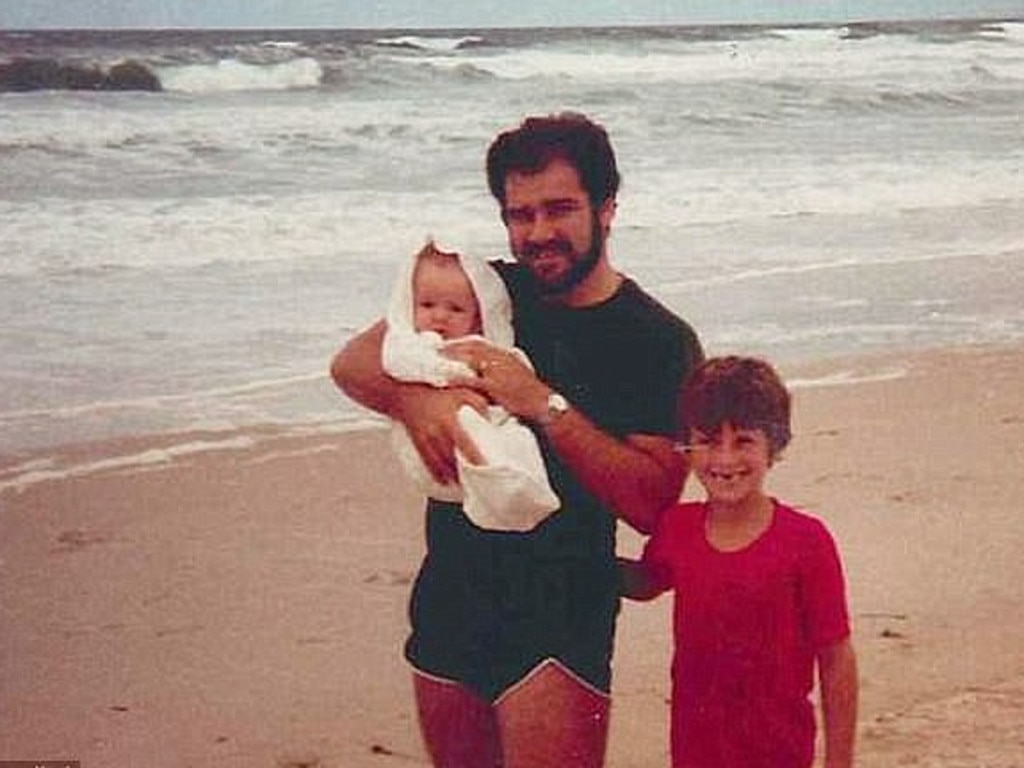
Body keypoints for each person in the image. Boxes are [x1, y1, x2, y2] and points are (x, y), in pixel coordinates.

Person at [330, 112, 703, 768]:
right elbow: (355, 362)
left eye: (559, 209)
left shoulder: (658, 340)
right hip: (450, 592)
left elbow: (651, 502)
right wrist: (418, 401)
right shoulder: (487, 293)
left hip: (561, 611)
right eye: (518, 214)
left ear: (608, 207)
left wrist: (542, 404)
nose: (537, 233)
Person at [620, 356, 859, 768]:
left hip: (780, 754)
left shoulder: (806, 541)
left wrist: (839, 763)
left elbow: (836, 660)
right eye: (710, 441)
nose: (726, 460)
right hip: (695, 755)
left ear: (775, 444)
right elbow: (646, 582)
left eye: (744, 440)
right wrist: (574, 559)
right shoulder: (677, 528)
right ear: (688, 448)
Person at [382, 237, 559, 531]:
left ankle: (525, 491)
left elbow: (515, 367)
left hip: (491, 417)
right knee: (471, 428)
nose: (439, 315)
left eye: (456, 309)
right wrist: (450, 373)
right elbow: (397, 363)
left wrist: (511, 378)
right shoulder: (412, 343)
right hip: (440, 445)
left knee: (515, 438)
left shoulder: (478, 343)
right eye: (426, 304)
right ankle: (499, 487)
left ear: (479, 317)